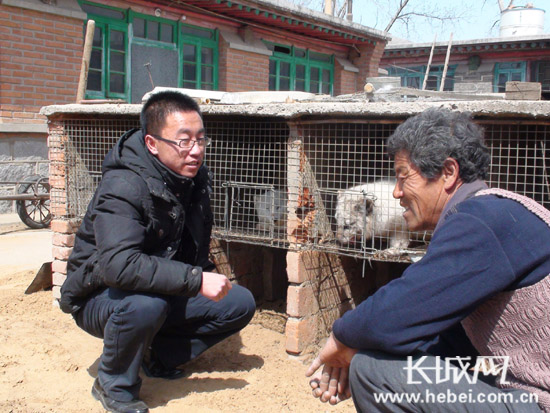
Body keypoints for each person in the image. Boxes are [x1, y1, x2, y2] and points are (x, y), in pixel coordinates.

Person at [306, 107, 550, 412]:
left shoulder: (480, 221)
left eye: (403, 177)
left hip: (539, 401)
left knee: (372, 372)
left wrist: (344, 339)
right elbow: (448, 339)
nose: (396, 192)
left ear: (447, 173)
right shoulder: (496, 212)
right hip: (519, 383)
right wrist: (362, 345)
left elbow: (402, 306)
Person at [59, 91, 256, 413]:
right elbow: (117, 267)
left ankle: (160, 354)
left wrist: (200, 273)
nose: (195, 151)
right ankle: (114, 385)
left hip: (158, 287)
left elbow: (192, 243)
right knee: (144, 306)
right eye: (184, 141)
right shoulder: (123, 186)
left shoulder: (193, 179)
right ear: (152, 143)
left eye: (201, 139)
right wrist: (194, 279)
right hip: (99, 295)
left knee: (238, 303)